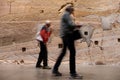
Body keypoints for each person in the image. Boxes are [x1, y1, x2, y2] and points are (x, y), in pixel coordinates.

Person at [52, 6, 83, 79]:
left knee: (63, 53)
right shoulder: (66, 15)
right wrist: (78, 25)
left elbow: (68, 25)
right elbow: (71, 25)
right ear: (70, 10)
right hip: (68, 36)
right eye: (73, 10)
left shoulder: (65, 14)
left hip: (64, 36)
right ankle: (73, 74)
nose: (73, 12)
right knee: (72, 53)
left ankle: (55, 69)